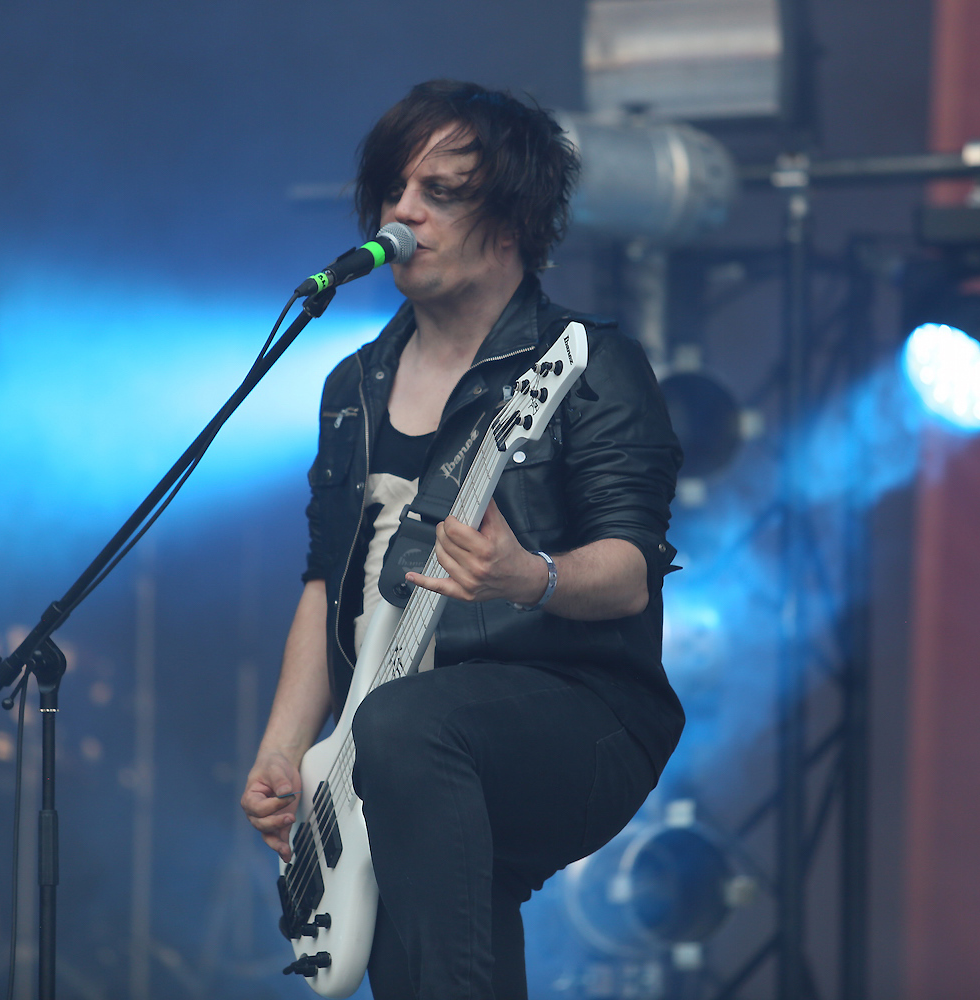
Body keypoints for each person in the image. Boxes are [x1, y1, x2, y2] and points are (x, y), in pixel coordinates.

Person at [241, 79, 684, 999]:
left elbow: (631, 572)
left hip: (582, 713)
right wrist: (286, 750)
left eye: (440, 193)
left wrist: (530, 576)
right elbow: (327, 583)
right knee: (407, 899)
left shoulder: (588, 365)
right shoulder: (352, 386)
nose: (403, 212)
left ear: (514, 220)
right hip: (396, 730)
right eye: (394, 190)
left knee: (407, 727)